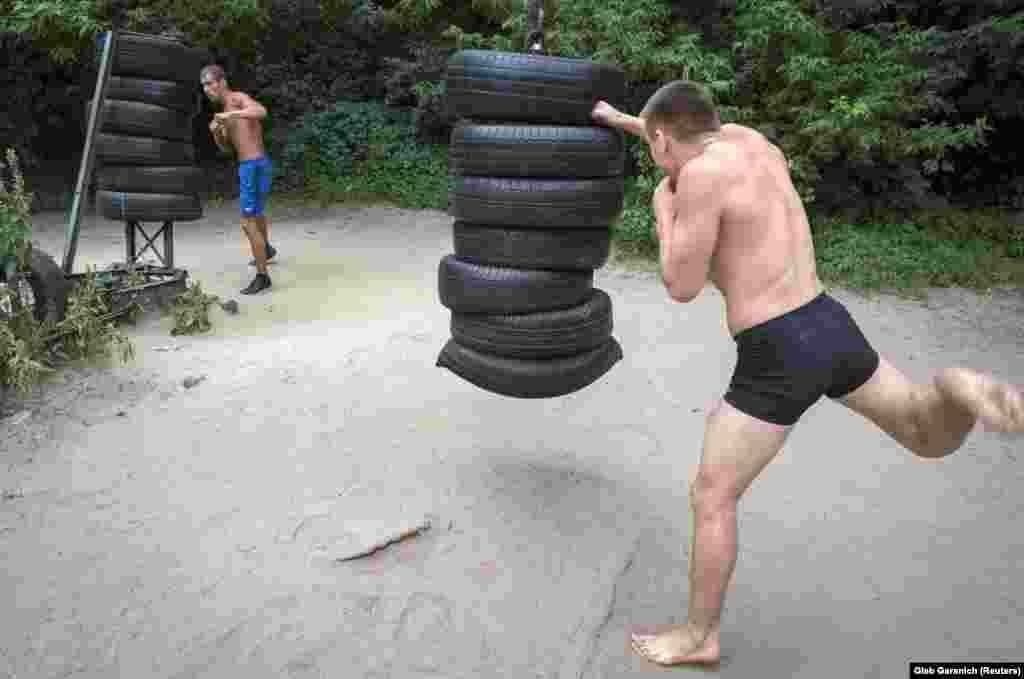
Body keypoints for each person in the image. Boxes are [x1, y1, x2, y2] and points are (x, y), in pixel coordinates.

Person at [590, 83, 1024, 667]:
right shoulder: (749, 141)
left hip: (777, 348)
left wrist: (664, 215)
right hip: (828, 322)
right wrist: (620, 119)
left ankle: (699, 634)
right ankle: (954, 392)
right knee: (926, 433)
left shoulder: (695, 181)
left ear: (666, 139)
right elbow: (669, 132)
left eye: (653, 142)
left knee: (713, 495)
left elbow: (681, 286)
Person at [201, 64, 276, 295]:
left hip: (254, 166)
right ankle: (267, 250)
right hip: (254, 164)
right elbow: (226, 149)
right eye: (203, 85)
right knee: (258, 212)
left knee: (246, 222)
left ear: (222, 81)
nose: (206, 89)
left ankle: (263, 277)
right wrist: (216, 132)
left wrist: (232, 114)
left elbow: (261, 112)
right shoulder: (223, 110)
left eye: (209, 83)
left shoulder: (237, 98)